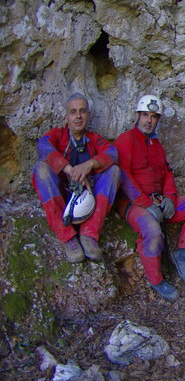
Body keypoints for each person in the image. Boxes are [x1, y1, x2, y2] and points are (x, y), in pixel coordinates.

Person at [115, 95, 185, 301]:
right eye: (145, 115)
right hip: (133, 204)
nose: (149, 120)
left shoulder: (156, 144)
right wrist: (145, 204)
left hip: (157, 200)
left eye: (154, 117)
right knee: (152, 229)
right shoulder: (126, 140)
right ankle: (156, 280)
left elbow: (167, 172)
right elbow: (124, 175)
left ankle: (183, 254)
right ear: (137, 116)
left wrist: (169, 196)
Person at [32, 93, 121, 263]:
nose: (78, 116)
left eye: (82, 111)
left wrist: (89, 165)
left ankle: (89, 235)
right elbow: (43, 145)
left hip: (87, 197)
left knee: (115, 171)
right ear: (67, 116)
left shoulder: (93, 139)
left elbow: (112, 153)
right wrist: (70, 169)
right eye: (73, 112)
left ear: (88, 115)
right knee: (41, 169)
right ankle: (68, 237)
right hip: (63, 196)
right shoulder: (57, 135)